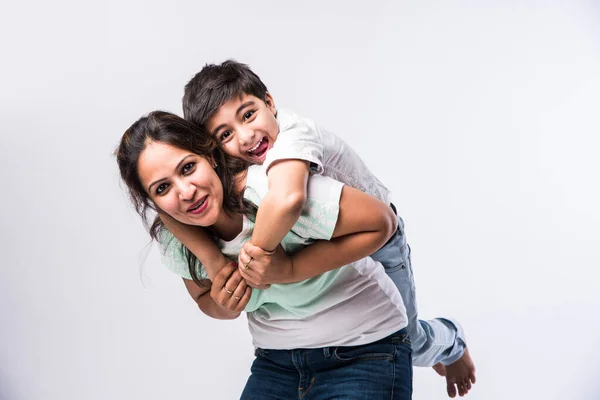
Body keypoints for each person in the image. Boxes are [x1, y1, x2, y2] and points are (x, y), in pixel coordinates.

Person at [173, 59, 476, 398]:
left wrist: (260, 262)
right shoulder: (238, 169)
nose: (246, 137)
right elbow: (167, 213)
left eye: (249, 115)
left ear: (270, 103)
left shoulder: (292, 135)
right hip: (325, 235)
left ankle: (450, 341)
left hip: (382, 238)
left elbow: (288, 199)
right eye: (226, 134)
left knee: (408, 336)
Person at [116, 111, 413, 399]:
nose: (185, 191)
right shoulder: (177, 237)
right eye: (163, 187)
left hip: (364, 350)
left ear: (208, 155)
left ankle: (448, 343)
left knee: (422, 339)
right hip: (276, 363)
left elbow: (382, 223)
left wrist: (290, 269)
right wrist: (224, 293)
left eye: (188, 168)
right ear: (152, 201)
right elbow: (203, 300)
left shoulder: (271, 192)